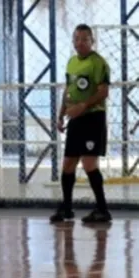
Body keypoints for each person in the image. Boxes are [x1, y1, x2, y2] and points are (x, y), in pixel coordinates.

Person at [50, 24, 112, 224]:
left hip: (92, 118)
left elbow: (103, 92)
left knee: (88, 163)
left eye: (84, 39)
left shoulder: (98, 63)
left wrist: (83, 106)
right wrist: (61, 115)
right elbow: (68, 90)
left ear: (92, 41)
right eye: (77, 39)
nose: (80, 43)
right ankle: (66, 208)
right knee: (68, 163)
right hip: (75, 119)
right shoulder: (71, 63)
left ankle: (102, 209)